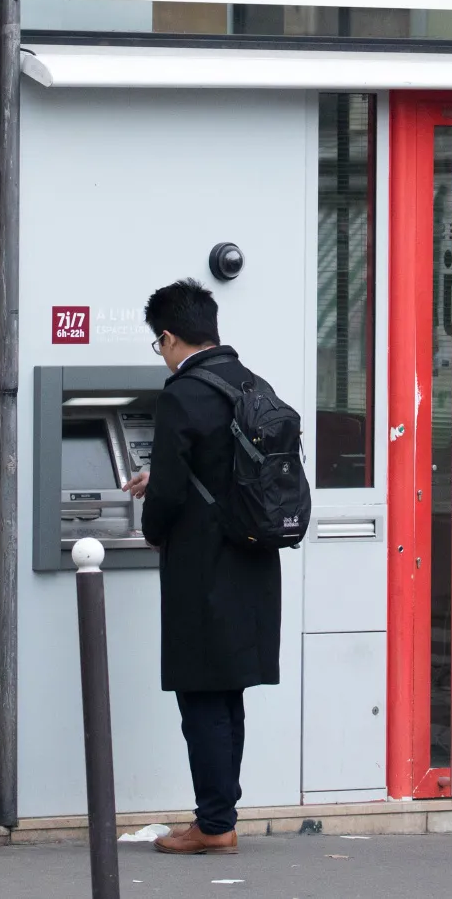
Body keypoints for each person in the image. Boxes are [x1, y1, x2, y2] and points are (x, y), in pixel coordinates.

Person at [126, 279, 281, 856]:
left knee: (200, 696)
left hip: (204, 568)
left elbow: (166, 495)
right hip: (253, 563)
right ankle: (221, 814)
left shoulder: (182, 393)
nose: (160, 353)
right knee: (226, 693)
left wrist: (153, 528)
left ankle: (214, 825)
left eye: (157, 343)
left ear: (168, 337)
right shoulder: (251, 384)